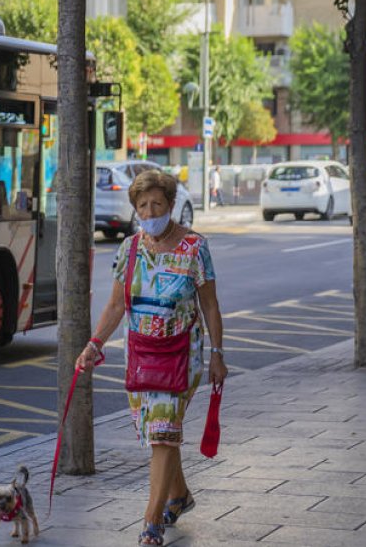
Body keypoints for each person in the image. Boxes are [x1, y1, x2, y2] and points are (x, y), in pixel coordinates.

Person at [76, 169, 227, 546]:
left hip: (182, 354)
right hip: (141, 354)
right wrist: (94, 344)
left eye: (157, 204)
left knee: (161, 432)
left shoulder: (194, 247)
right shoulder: (129, 249)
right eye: (142, 206)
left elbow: (209, 305)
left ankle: (151, 522)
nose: (149, 211)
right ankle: (180, 496)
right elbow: (115, 305)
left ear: (172, 205)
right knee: (160, 433)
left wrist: (217, 354)